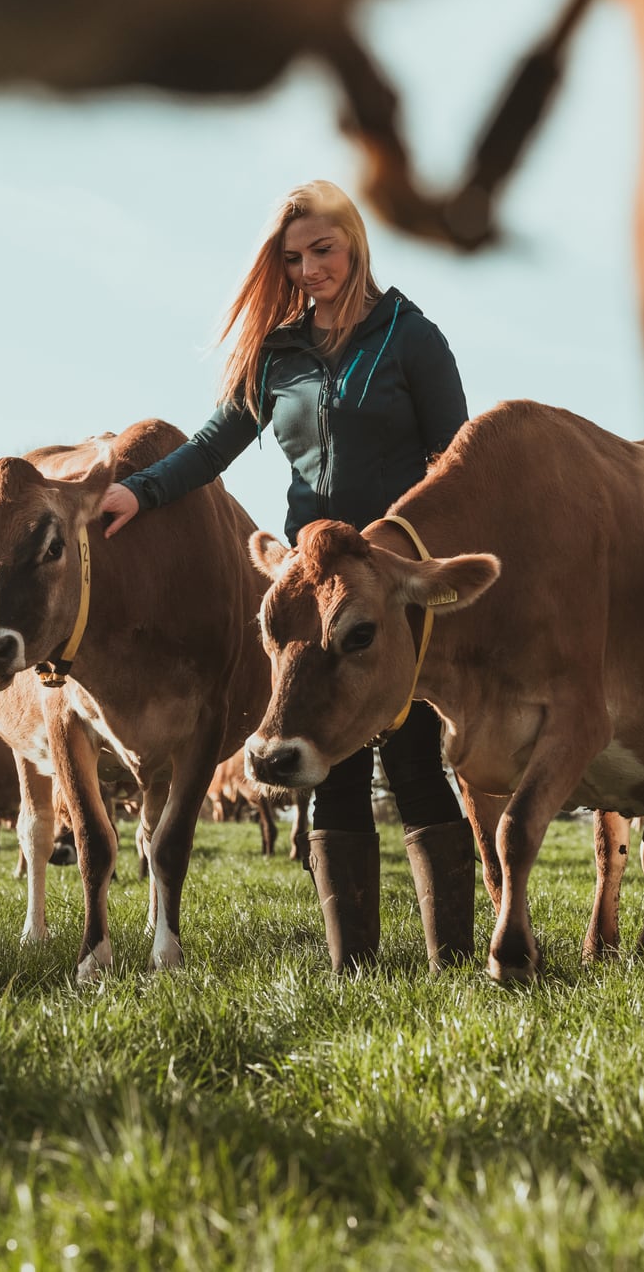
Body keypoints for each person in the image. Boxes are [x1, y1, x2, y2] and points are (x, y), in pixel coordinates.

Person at [100, 179, 474, 972]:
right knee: (326, 765)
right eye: (293, 257)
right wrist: (137, 490)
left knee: (412, 762)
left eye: (322, 251)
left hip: (385, 581)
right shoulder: (278, 353)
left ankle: (453, 966)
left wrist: (420, 565)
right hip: (310, 588)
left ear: (356, 241)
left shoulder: (412, 337)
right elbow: (210, 448)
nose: (308, 270)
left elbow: (454, 463)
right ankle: (354, 971)